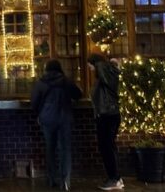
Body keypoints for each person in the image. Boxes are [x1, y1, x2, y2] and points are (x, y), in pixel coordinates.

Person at [31, 60, 82, 191]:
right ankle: (65, 181)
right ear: (59, 68)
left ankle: (51, 179)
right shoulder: (66, 81)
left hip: (47, 119)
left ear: (46, 69)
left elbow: (34, 103)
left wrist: (40, 113)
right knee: (65, 149)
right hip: (64, 118)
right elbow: (78, 95)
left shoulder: (41, 83)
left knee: (50, 149)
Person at [88, 54, 123, 191]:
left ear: (95, 63)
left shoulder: (103, 71)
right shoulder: (108, 74)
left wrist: (101, 64)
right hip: (110, 114)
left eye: (90, 65)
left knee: (106, 147)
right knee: (109, 147)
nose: (89, 68)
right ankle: (116, 178)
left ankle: (114, 179)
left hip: (107, 115)